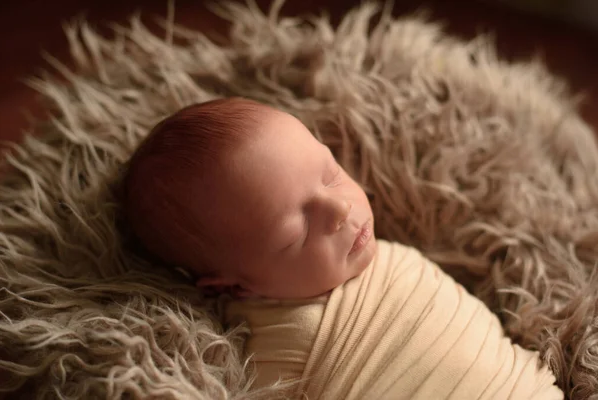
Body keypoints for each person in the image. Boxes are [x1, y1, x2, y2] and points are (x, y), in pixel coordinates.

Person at [119, 97, 563, 399]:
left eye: (331, 173)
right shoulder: (276, 347)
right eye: (297, 229)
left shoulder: (379, 252)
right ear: (232, 286)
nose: (339, 208)